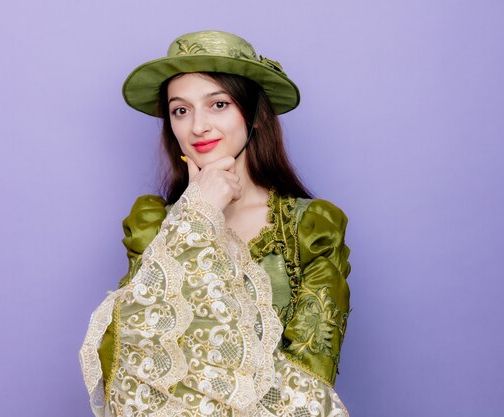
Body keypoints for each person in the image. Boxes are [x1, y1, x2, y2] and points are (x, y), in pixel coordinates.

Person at [79, 30, 351, 417]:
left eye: (218, 104)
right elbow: (132, 360)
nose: (198, 127)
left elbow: (308, 387)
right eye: (181, 110)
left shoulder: (311, 229)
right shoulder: (155, 224)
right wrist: (197, 213)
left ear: (254, 115)